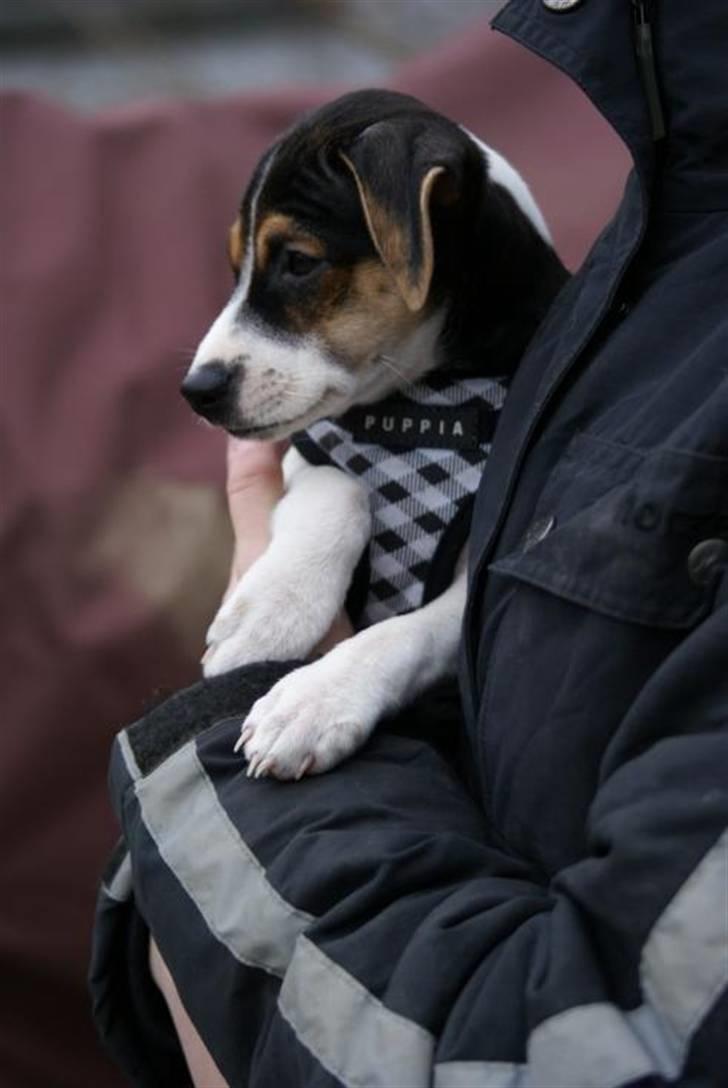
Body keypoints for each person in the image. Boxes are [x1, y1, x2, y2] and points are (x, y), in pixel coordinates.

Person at [90, 1, 728, 1085]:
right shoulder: (643, 290)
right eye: (246, 275)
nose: (219, 347)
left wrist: (342, 678)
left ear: (419, 226)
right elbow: (327, 490)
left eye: (292, 270)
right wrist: (311, 525)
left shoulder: (576, 364)